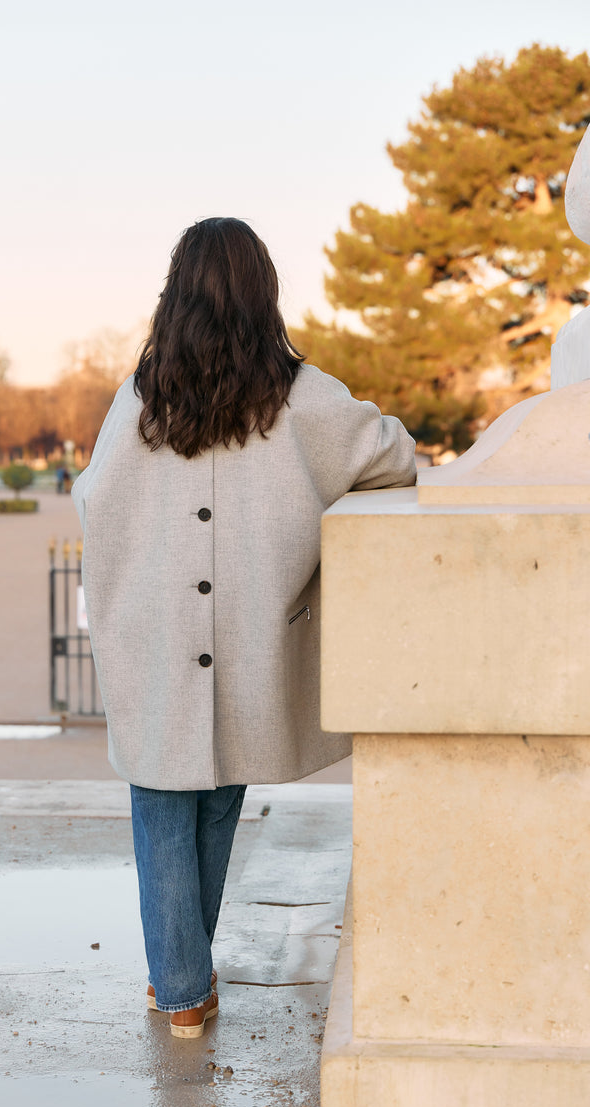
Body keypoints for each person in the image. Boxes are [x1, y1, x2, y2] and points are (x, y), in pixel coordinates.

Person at [72, 217, 416, 1038]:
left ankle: (181, 985)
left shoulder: (145, 392)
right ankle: (184, 977)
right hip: (245, 639)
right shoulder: (302, 395)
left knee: (161, 806)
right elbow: (393, 455)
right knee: (218, 797)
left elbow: (94, 498)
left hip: (153, 633)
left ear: (176, 291)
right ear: (264, 292)